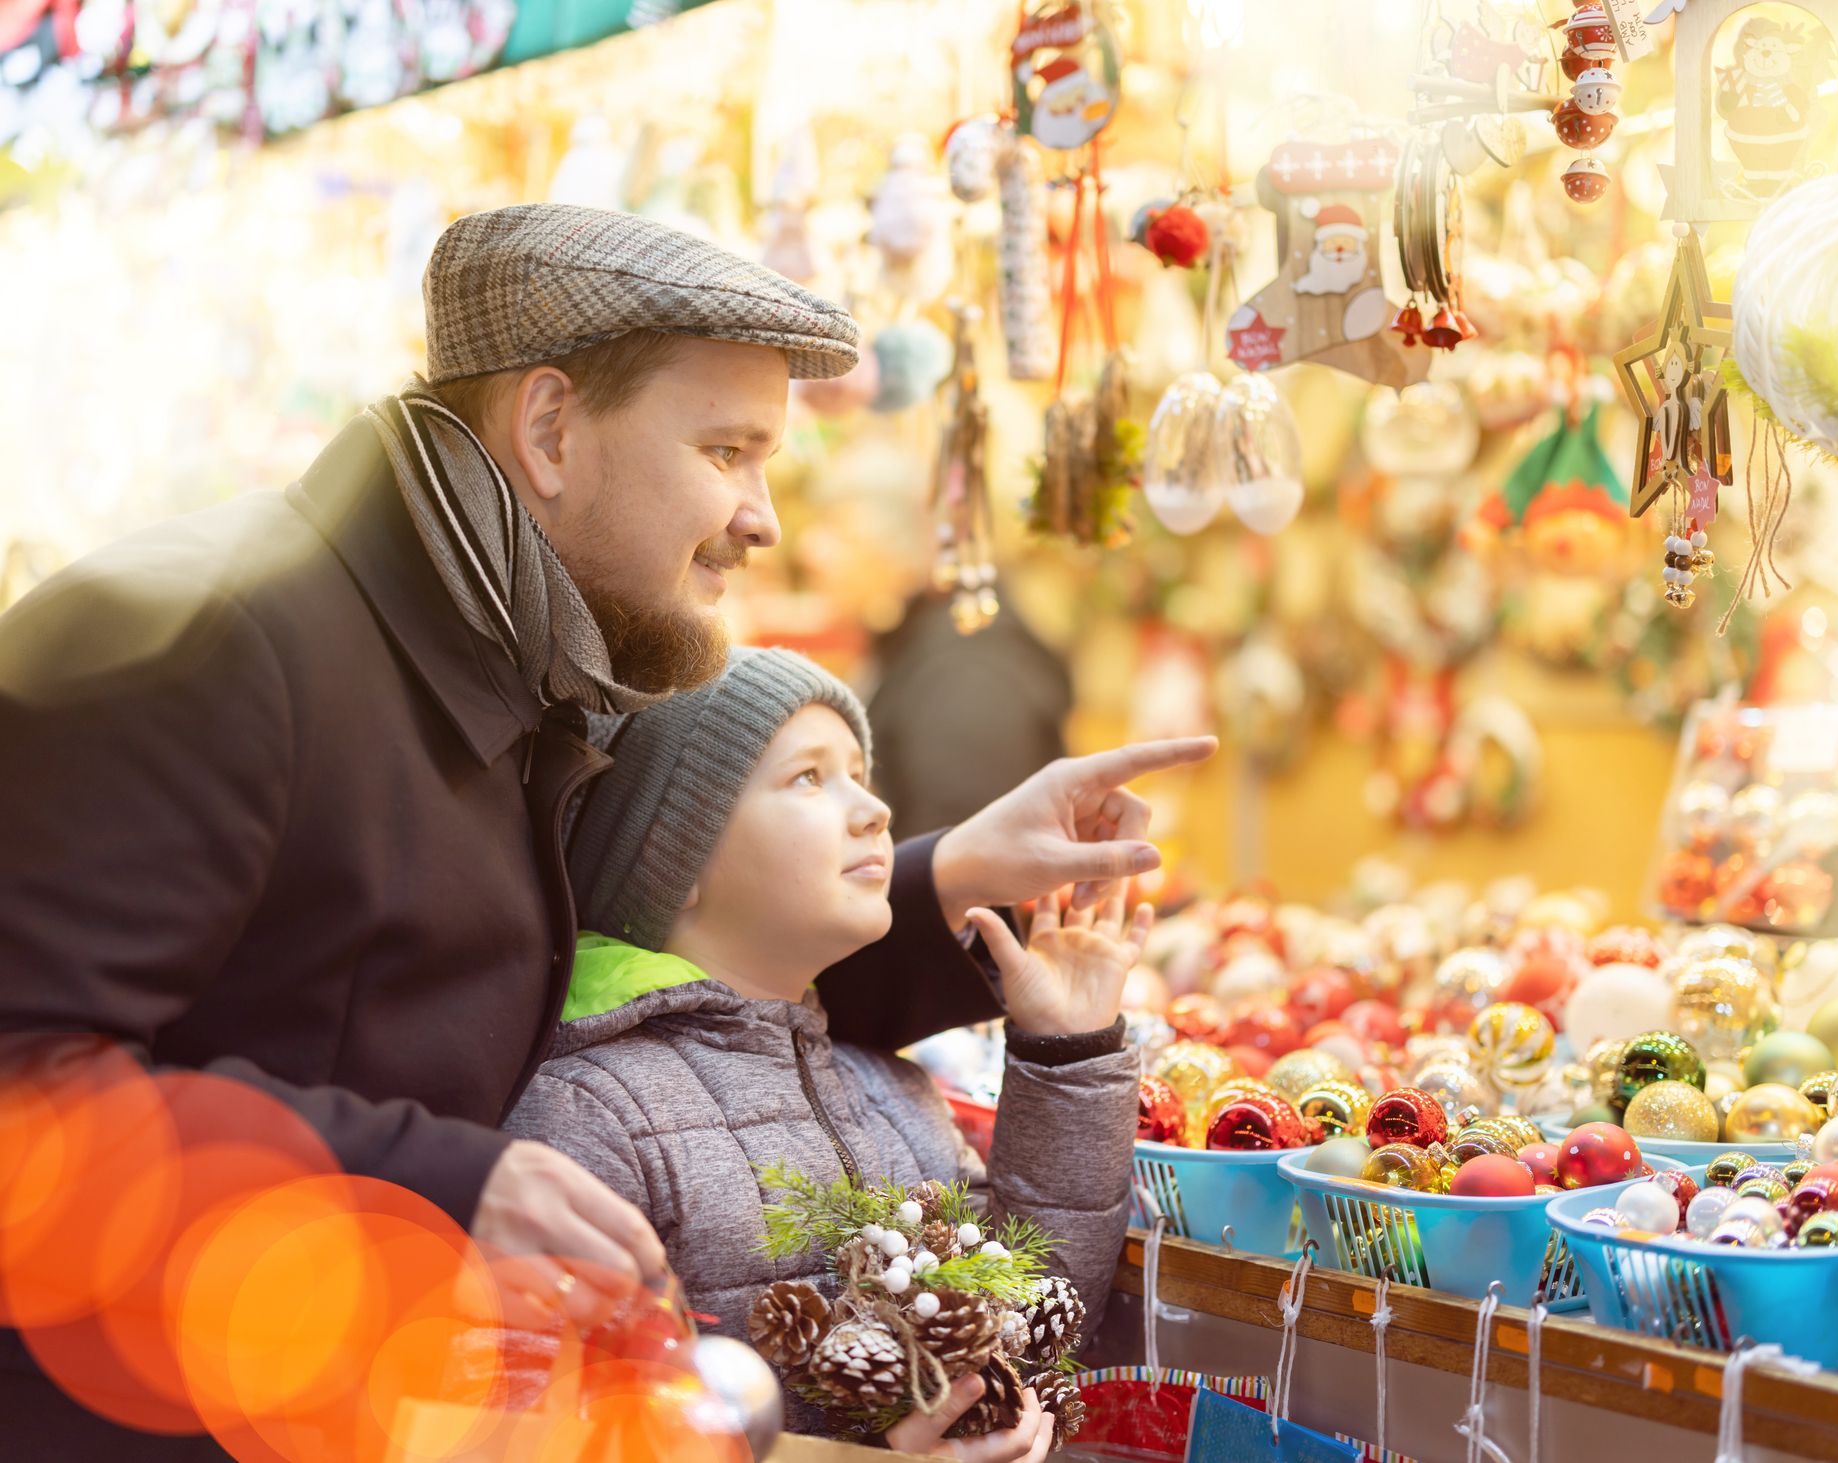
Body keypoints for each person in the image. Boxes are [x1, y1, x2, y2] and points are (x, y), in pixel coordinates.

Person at [0, 202, 1214, 1456]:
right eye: (728, 450)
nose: (764, 516)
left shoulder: (511, 656)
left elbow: (623, 960)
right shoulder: (210, 639)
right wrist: (442, 1183)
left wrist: (952, 879)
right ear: (549, 428)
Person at [507, 647, 1143, 1461]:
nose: (874, 808)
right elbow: (549, 1429)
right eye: (809, 777)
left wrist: (1067, 1048)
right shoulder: (588, 1114)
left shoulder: (892, 1089)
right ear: (675, 856)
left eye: (858, 772)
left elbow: (1031, 1316)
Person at [867, 583, 1074, 840]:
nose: (816, 558)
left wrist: (913, 876)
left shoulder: (967, 667)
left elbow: (959, 824)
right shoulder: (937, 639)